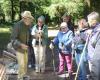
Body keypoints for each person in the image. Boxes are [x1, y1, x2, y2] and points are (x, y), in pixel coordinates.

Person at [11, 11, 34, 80]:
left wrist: (34, 36)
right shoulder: (17, 25)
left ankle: (24, 75)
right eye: (29, 18)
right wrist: (21, 44)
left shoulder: (28, 25)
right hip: (19, 48)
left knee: (25, 63)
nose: (30, 20)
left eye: (30, 19)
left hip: (26, 48)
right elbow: (13, 39)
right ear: (24, 18)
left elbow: (29, 36)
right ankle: (20, 77)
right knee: (21, 64)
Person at [87, 11, 100, 80]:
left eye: (88, 20)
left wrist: (94, 77)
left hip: (94, 61)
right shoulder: (93, 29)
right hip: (91, 58)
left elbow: (98, 57)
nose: (87, 22)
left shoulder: (98, 31)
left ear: (94, 21)